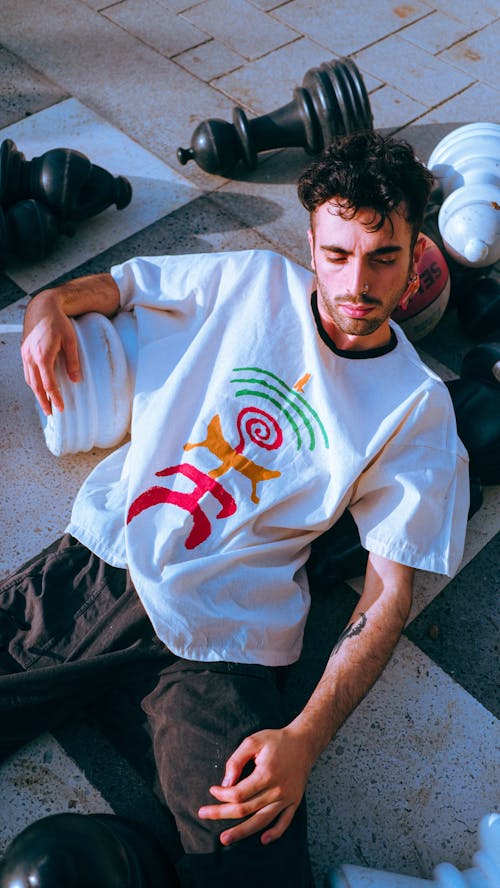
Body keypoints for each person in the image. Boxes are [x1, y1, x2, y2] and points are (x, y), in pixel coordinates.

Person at [0, 131, 469, 888]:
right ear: (310, 243)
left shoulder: (417, 410)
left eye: (385, 256)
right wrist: (50, 304)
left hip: (222, 647)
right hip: (106, 565)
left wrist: (304, 740)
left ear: (418, 255)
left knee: (258, 871)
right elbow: (122, 286)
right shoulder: (251, 281)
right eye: (338, 254)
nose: (358, 283)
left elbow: (387, 597)